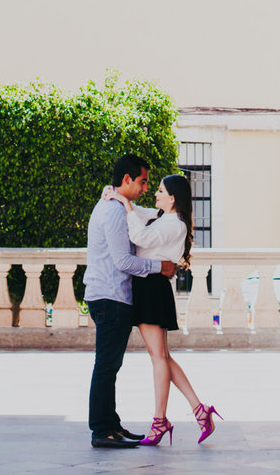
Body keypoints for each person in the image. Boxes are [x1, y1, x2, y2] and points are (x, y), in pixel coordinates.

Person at [105, 172, 221, 446]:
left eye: (159, 190)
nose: (154, 194)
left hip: (152, 288)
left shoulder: (174, 224)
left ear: (172, 198)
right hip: (152, 287)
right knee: (163, 357)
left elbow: (141, 237)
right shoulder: (166, 219)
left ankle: (160, 421)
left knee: (159, 358)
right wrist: (122, 199)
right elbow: (144, 214)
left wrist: (124, 204)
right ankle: (199, 410)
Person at [83, 153, 177, 450]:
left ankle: (111, 425)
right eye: (143, 182)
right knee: (106, 366)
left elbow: (143, 211)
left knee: (110, 365)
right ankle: (101, 430)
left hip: (112, 297)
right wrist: (159, 267)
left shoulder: (117, 206)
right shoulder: (112, 212)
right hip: (110, 298)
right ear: (127, 180)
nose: (146, 187)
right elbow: (123, 261)